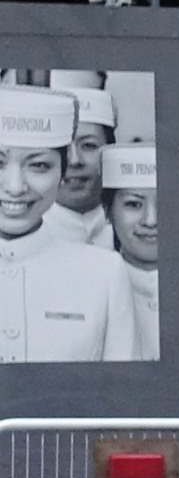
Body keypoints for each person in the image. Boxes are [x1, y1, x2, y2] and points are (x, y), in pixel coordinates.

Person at [0, 88, 137, 363]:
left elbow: (123, 395)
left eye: (38, 165)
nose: (15, 187)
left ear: (62, 172)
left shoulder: (105, 273)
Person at [100, 143, 158, 359]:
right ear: (108, 211)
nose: (150, 220)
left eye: (165, 203)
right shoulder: (90, 290)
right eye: (134, 204)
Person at [40, 87, 115, 250]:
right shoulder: (24, 237)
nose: (74, 160)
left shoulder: (132, 235)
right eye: (62, 148)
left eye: (88, 145)